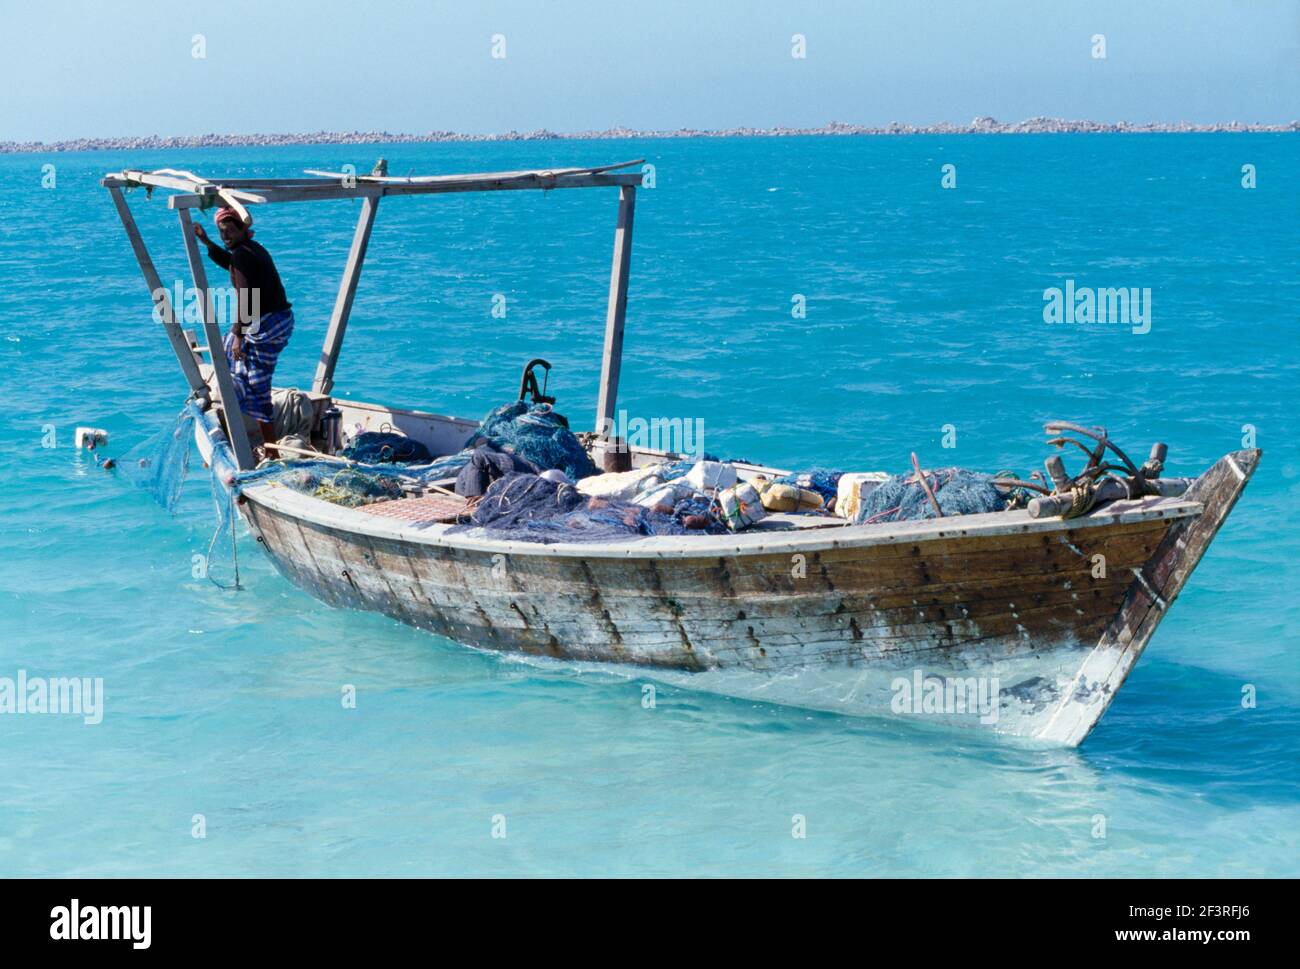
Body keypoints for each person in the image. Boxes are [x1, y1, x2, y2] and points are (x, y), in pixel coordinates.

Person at [193, 207, 294, 455]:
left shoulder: (244, 254)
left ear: (242, 230)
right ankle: (245, 414)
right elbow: (231, 264)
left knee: (257, 382)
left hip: (267, 324)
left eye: (230, 231)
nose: (226, 236)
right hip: (275, 320)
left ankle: (271, 450)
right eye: (221, 232)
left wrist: (239, 335)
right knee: (235, 359)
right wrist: (206, 242)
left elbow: (247, 297)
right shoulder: (250, 249)